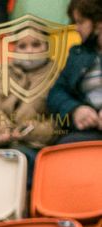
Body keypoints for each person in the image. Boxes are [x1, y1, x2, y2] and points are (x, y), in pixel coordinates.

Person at [0, 24, 60, 165]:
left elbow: (59, 123)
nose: (29, 51)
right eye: (22, 46)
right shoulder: (3, 72)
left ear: (47, 46)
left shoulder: (58, 76)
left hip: (31, 147)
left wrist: (30, 131)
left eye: (36, 45)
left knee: (13, 161)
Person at [48, 0, 102, 144]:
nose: (76, 28)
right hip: (90, 129)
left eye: (81, 22)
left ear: (99, 21)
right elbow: (56, 93)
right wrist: (75, 110)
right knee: (66, 147)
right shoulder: (77, 54)